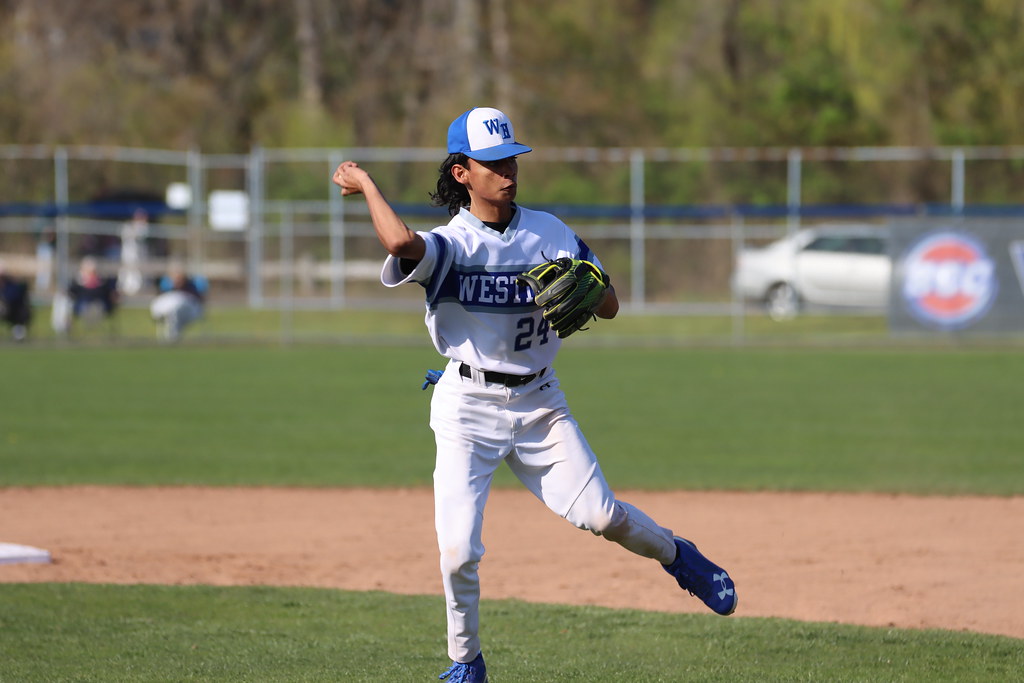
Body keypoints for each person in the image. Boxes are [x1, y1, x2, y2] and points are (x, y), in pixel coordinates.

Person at [332, 107, 737, 683]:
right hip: (466, 407)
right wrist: (367, 183)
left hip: (540, 403)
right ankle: (465, 663)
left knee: (603, 516)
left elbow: (611, 305)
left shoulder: (550, 232)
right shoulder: (451, 244)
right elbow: (399, 241)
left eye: (512, 161)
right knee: (458, 551)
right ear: (462, 173)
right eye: (493, 164)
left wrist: (590, 286)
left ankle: (679, 556)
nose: (508, 172)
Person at [150, 263, 206, 342]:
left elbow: (198, 301)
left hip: (188, 311)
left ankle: (173, 336)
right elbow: (161, 300)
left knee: (176, 309)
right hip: (169, 310)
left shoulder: (191, 287)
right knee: (172, 311)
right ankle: (172, 336)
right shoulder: (167, 288)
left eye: (179, 277)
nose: (177, 280)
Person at [0, 260, 32, 342]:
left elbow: (13, 298)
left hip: (12, 311)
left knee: (20, 313)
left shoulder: (11, 285)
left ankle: (18, 331)